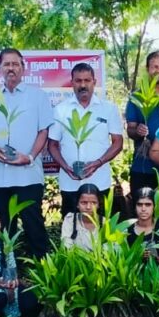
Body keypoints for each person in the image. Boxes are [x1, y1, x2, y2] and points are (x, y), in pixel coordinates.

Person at [0, 48, 53, 259]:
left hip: (29, 174)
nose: (11, 68)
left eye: (15, 64)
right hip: (1, 177)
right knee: (3, 227)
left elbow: (43, 131)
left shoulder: (38, 96)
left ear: (23, 67)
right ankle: (7, 271)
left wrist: (29, 157)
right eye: (6, 64)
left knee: (33, 223)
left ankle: (41, 268)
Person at [48, 62, 123, 214]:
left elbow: (118, 143)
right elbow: (52, 145)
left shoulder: (108, 109)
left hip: (99, 181)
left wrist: (98, 163)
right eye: (78, 80)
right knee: (71, 228)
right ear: (72, 83)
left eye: (87, 80)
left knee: (100, 227)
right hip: (70, 183)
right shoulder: (60, 110)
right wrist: (65, 167)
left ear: (94, 82)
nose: (83, 85)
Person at [125, 50, 159, 194]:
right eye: (155, 67)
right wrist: (137, 131)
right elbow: (130, 129)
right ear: (148, 69)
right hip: (143, 167)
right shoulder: (137, 98)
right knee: (143, 211)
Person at [60, 184, 102, 252]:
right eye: (84, 203)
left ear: (99, 205)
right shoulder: (70, 220)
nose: (88, 207)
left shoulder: (106, 223)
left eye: (93, 203)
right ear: (77, 204)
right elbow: (66, 247)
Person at [126, 187, 159, 253]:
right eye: (139, 204)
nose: (143, 209)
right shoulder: (126, 229)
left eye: (148, 205)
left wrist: (156, 258)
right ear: (134, 207)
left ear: (154, 206)